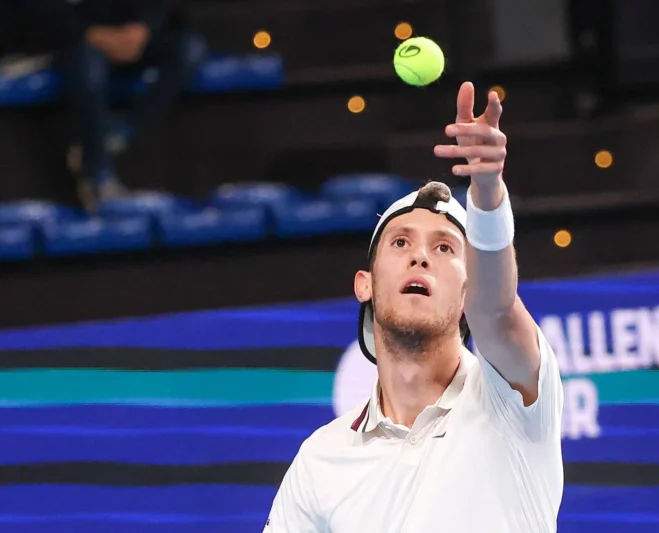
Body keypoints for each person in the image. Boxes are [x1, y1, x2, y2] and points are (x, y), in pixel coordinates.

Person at [264, 82, 564, 533]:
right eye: (400, 242)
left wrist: (486, 194)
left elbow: (497, 314)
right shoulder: (320, 460)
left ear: (469, 290)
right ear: (365, 284)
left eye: (445, 248)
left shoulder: (511, 401)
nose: (420, 256)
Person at [13, 0, 204, 211]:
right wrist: (94, 35)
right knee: (89, 70)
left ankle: (115, 135)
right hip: (73, 40)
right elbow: (36, 13)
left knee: (190, 49)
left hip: (129, 34)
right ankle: (96, 176)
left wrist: (142, 28)